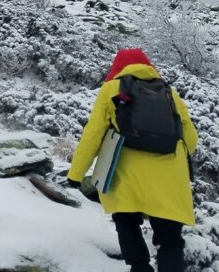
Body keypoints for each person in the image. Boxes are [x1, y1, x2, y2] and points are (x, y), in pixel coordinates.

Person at [67, 48, 198, 272]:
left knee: (126, 223)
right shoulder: (169, 92)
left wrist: (76, 174)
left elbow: (93, 134)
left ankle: (140, 268)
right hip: (169, 177)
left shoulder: (111, 89)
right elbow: (191, 139)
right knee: (170, 239)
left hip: (127, 175)